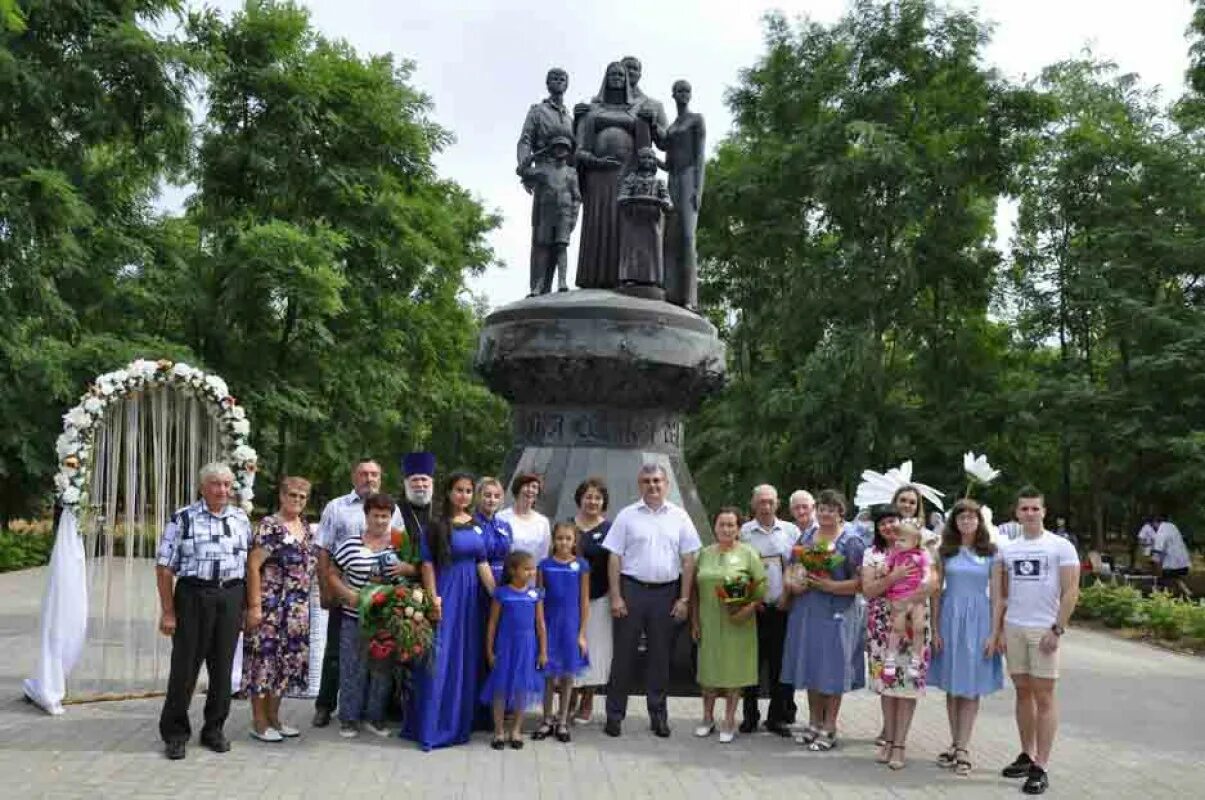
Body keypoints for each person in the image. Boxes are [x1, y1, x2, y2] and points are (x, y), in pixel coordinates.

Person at [156, 462, 253, 760]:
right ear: (202, 487)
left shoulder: (241, 519)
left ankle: (214, 729)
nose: (222, 489)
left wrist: (249, 606)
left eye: (226, 484)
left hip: (231, 595)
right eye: (215, 484)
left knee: (223, 670)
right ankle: (175, 733)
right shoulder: (183, 518)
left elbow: (250, 566)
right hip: (193, 596)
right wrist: (168, 611)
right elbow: (164, 567)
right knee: (185, 668)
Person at [603, 463, 702, 738]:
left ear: (666, 484)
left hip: (666, 593)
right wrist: (616, 595)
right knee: (623, 656)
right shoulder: (627, 515)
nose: (652, 485)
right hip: (631, 590)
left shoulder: (680, 516)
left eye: (657, 481)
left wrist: (684, 598)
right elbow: (614, 557)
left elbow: (688, 559)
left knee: (660, 657)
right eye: (647, 481)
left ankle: (658, 715)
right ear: (640, 485)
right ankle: (614, 716)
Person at [995, 487, 1080, 795]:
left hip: (1043, 630)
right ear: (1016, 513)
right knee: (1022, 692)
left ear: (1044, 511)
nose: (1029, 513)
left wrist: (1057, 629)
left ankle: (1041, 766)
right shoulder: (1009, 549)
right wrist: (1000, 630)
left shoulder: (1061, 547)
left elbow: (1071, 591)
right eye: (1024, 509)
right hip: (1014, 628)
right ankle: (1026, 754)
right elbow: (1003, 594)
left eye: (1035, 508)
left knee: (1044, 697)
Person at [403, 472, 495, 751]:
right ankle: (432, 727)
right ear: (448, 493)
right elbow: (428, 565)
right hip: (447, 594)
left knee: (465, 657)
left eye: (468, 491)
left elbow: (483, 564)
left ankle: (459, 724)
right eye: (459, 490)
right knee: (439, 658)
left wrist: (498, 596)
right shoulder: (436, 526)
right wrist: (433, 599)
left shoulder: (478, 526)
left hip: (472, 601)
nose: (464, 496)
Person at [312, 459, 405, 728]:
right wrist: (327, 590)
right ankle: (325, 706)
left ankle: (371, 712)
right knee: (337, 654)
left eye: (374, 474)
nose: (369, 478)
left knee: (377, 658)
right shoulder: (337, 507)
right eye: (364, 473)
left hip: (380, 604)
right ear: (354, 476)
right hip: (345, 592)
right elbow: (324, 551)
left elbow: (399, 545)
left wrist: (403, 567)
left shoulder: (392, 509)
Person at [780, 489, 865, 752]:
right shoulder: (806, 536)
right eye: (822, 508)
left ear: (841, 512)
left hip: (837, 613)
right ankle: (814, 723)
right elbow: (794, 568)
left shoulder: (851, 542)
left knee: (832, 671)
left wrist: (830, 586)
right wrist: (794, 583)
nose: (826, 513)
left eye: (832, 508)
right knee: (812, 667)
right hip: (806, 609)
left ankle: (830, 726)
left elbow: (863, 583)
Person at [929, 499, 1004, 777]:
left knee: (970, 685)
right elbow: (936, 594)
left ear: (979, 522)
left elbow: (997, 596)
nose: (967, 522)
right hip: (950, 617)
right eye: (962, 518)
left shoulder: (991, 554)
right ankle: (954, 742)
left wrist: (995, 633)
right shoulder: (945, 552)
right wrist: (935, 629)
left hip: (978, 620)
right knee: (952, 684)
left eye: (972, 518)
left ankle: (963, 747)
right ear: (954, 522)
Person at [243, 476, 316, 742]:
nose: (297, 500)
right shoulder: (270, 526)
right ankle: (259, 722)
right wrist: (254, 606)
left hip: (297, 609)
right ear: (282, 496)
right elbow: (252, 566)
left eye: (302, 497)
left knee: (286, 664)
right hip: (271, 606)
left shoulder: (305, 527)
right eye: (293, 495)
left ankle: (274, 717)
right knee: (264, 662)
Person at [862, 505, 935, 769]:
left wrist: (904, 604)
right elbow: (869, 591)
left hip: (912, 623)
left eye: (892, 521)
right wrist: (893, 577)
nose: (889, 527)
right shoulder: (873, 554)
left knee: (906, 687)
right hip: (882, 627)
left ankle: (900, 745)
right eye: (882, 523)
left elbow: (931, 585)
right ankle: (889, 740)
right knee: (888, 686)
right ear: (877, 528)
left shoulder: (922, 551)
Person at [329, 493, 403, 739]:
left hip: (385, 620)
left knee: (382, 670)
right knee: (352, 668)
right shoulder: (350, 544)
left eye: (385, 516)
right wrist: (346, 594)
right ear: (366, 516)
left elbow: (408, 576)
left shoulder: (398, 546)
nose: (381, 521)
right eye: (376, 515)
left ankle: (375, 718)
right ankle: (349, 719)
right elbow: (332, 573)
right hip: (354, 616)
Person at [692, 507, 765, 743]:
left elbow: (761, 587)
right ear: (714, 527)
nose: (726, 529)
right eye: (722, 524)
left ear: (738, 528)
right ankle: (706, 718)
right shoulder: (704, 554)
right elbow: (694, 590)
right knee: (708, 672)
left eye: (731, 525)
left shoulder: (748, 553)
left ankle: (730, 720)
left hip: (738, 623)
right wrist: (694, 621)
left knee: (734, 673)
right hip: (709, 620)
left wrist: (748, 607)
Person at [738, 484, 799, 736]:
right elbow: (739, 569)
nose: (765, 506)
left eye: (770, 502)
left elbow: (796, 568)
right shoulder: (744, 532)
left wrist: (788, 596)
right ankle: (749, 716)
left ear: (778, 504)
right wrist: (751, 599)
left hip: (782, 607)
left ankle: (776, 717)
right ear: (753, 504)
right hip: (754, 609)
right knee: (750, 665)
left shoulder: (791, 531)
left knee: (779, 666)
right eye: (761, 502)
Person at [574, 61, 639, 289]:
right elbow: (579, 150)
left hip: (626, 175)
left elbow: (645, 147)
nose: (617, 78)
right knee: (597, 224)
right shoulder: (593, 110)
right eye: (613, 74)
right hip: (598, 177)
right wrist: (598, 162)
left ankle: (623, 276)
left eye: (621, 75)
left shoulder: (635, 111)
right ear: (605, 78)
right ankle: (592, 277)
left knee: (623, 225)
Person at [481, 550, 548, 750]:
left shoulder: (535, 594)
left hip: (527, 647)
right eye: (526, 569)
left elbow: (541, 625)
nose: (531, 573)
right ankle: (499, 731)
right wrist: (489, 650)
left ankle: (516, 730)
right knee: (500, 688)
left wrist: (543, 651)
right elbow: (492, 624)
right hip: (505, 646)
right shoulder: (502, 594)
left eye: (532, 569)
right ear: (512, 570)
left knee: (521, 688)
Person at [534, 521, 590, 742]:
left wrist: (582, 633)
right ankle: (546, 719)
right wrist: (540, 627)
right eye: (559, 538)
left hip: (571, 626)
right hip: (549, 625)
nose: (563, 543)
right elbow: (539, 597)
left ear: (574, 541)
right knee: (548, 675)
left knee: (567, 675)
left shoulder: (581, 566)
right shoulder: (544, 565)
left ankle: (563, 719)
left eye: (568, 538)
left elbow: (584, 601)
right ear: (553, 540)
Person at [657, 78, 705, 309]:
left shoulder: (696, 120)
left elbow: (700, 158)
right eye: (679, 90)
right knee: (670, 238)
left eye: (687, 90)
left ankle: (690, 298)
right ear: (673, 94)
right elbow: (667, 160)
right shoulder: (673, 126)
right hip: (672, 179)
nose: (683, 94)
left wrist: (699, 189)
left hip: (689, 178)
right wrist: (651, 159)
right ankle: (671, 292)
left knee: (687, 237)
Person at [570, 477, 612, 724]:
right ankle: (570, 697)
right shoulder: (567, 527)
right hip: (569, 600)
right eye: (588, 497)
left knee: (595, 651)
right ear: (580, 499)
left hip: (599, 599)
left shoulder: (610, 529)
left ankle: (588, 700)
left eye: (597, 497)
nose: (592, 501)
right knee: (572, 648)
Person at [519, 135, 580, 295]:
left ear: (568, 152)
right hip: (546, 215)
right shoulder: (544, 171)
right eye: (557, 147)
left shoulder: (572, 173)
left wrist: (574, 217)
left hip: (564, 214)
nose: (561, 151)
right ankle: (539, 284)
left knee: (561, 247)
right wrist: (535, 155)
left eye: (564, 148)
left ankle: (562, 281)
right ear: (552, 150)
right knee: (544, 247)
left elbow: (577, 197)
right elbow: (522, 171)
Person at [882, 522, 932, 682]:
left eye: (902, 540)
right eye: (897, 539)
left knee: (919, 628)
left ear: (915, 541)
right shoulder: (895, 554)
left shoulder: (921, 555)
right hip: (899, 596)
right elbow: (886, 567)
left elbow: (927, 570)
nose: (898, 542)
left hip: (916, 598)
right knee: (897, 628)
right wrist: (882, 569)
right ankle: (890, 657)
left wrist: (925, 579)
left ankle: (916, 660)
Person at [498, 473, 551, 564]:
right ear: (518, 489)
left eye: (534, 487)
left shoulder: (543, 522)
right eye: (526, 486)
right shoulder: (501, 517)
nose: (530, 490)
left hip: (532, 573)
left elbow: (544, 555)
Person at [398, 451, 436, 564]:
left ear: (431, 482)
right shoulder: (395, 510)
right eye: (414, 480)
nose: (420, 484)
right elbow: (394, 545)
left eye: (424, 479)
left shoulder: (442, 509)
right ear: (406, 483)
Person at [1150, 515, 1191, 592]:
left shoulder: (1161, 530)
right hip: (1184, 564)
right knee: (1176, 578)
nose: (1153, 527)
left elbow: (1158, 549)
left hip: (1172, 565)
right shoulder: (1172, 526)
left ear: (1155, 522)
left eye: (1153, 525)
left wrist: (1153, 561)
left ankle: (1160, 598)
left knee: (1160, 582)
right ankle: (1188, 593)